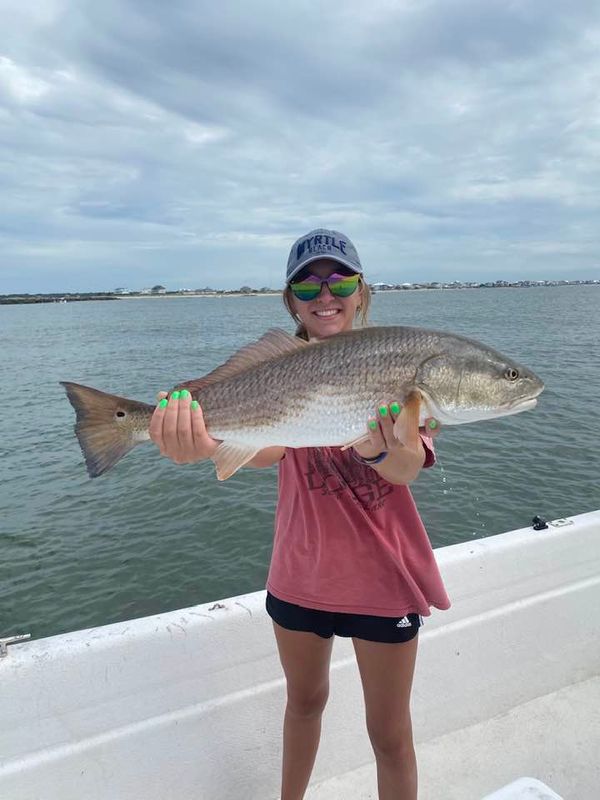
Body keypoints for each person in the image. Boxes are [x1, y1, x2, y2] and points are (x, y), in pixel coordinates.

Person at [149, 228, 450, 800]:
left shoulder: (400, 373)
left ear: (361, 293)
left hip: (384, 581)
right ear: (290, 301)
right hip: (299, 575)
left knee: (390, 736)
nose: (325, 294)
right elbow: (267, 449)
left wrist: (378, 446)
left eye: (340, 280)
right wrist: (205, 444)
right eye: (307, 286)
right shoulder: (282, 371)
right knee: (303, 704)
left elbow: (408, 465)